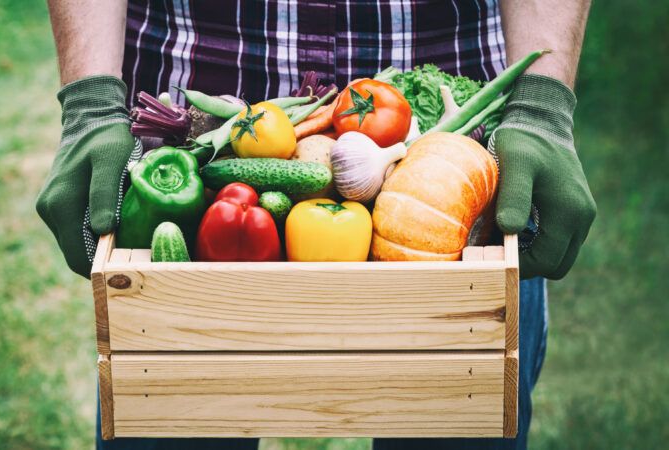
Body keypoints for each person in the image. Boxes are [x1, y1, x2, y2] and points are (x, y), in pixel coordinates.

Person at [36, 1, 596, 449]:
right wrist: (90, 106)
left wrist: (542, 110)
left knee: (463, 408)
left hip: (459, 163)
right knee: (167, 418)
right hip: (196, 129)